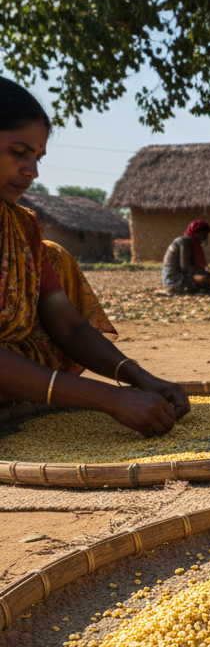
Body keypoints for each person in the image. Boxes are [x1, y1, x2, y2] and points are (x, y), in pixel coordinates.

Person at [0, 77, 189, 437]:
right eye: (18, 151)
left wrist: (139, 377)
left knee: (56, 258)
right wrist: (110, 399)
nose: (32, 171)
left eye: (37, 158)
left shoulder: (23, 230)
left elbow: (68, 325)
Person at [162, 220, 210, 294]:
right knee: (209, 282)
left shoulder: (189, 242)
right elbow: (185, 267)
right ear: (197, 233)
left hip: (171, 280)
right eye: (205, 234)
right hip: (175, 281)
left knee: (208, 280)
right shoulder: (186, 241)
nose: (206, 237)